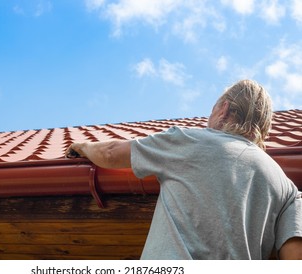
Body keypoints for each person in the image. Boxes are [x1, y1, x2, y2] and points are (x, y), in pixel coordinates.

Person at [65, 79, 302, 260]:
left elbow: (110, 154)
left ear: (224, 109)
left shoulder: (188, 140)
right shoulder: (287, 189)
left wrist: (82, 145)